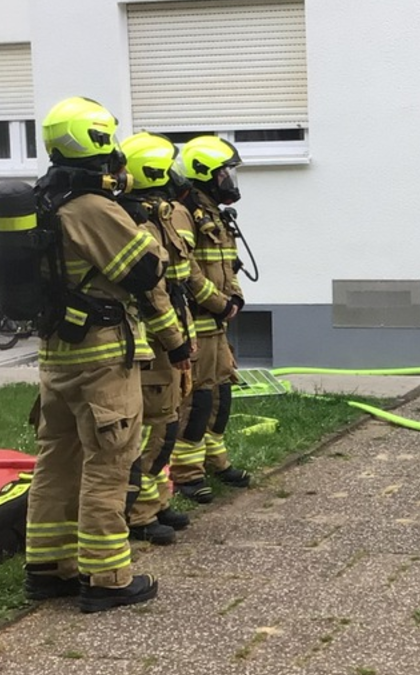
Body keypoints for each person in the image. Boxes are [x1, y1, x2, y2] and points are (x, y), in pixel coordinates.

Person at [22, 97, 190, 613]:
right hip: (101, 357)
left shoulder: (44, 201)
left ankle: (47, 568)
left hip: (58, 355)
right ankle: (108, 577)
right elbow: (144, 271)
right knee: (108, 462)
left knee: (57, 459)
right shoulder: (92, 208)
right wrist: (138, 223)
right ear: (95, 140)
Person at [116, 131, 229, 543]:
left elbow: (183, 274)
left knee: (166, 425)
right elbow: (154, 289)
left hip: (176, 330)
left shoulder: (160, 215)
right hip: (156, 340)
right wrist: (176, 338)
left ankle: (156, 503)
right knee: (154, 429)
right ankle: (140, 515)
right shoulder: (140, 222)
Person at [168, 135, 249, 503]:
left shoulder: (214, 214)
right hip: (198, 324)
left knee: (222, 397)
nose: (230, 180)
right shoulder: (182, 214)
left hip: (218, 325)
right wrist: (218, 303)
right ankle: (186, 472)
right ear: (205, 173)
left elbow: (228, 265)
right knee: (197, 401)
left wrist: (235, 298)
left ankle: (216, 460)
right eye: (225, 173)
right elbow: (184, 270)